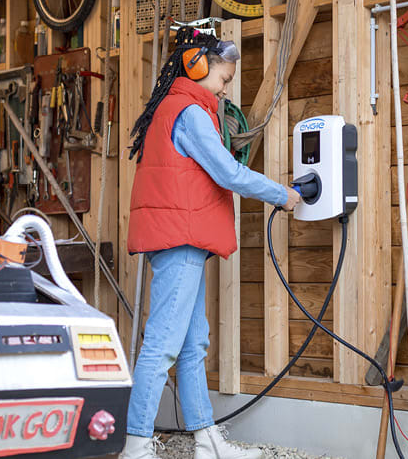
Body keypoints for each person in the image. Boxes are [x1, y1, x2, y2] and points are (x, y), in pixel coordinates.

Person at [120, 28, 301, 459]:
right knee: (162, 345)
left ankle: (207, 442)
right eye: (223, 78)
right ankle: (136, 445)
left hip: (184, 240)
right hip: (180, 240)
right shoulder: (190, 113)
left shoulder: (178, 108)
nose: (225, 88)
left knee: (191, 343)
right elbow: (228, 173)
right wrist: (283, 194)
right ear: (197, 66)